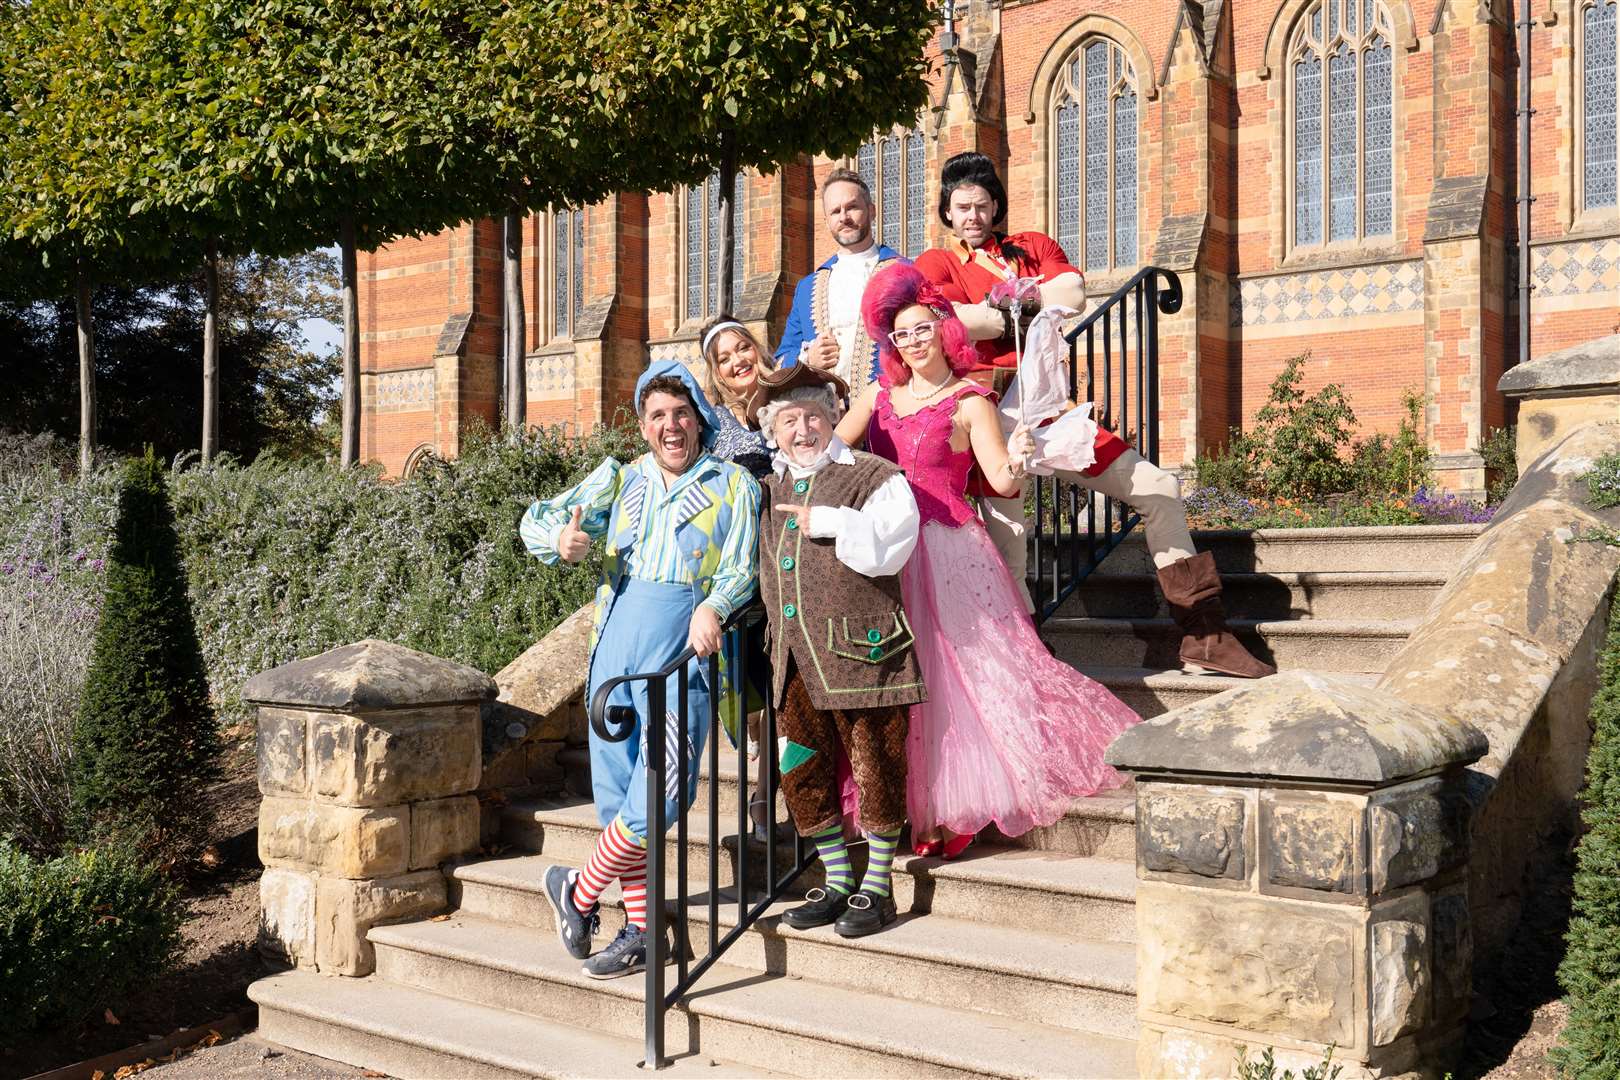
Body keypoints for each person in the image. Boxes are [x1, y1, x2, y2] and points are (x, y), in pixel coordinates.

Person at [912, 151, 1273, 679]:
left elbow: (1074, 293)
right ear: (947, 212)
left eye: (982, 205)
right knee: (1011, 544)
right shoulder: (936, 265)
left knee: (1159, 490)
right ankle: (1028, 661)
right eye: (961, 207)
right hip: (990, 418)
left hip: (1049, 408)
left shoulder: (1032, 246)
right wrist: (1029, 303)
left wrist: (1007, 304)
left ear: (996, 207)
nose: (972, 216)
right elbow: (951, 325)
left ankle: (1203, 637)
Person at [836, 263, 1142, 857]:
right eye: (902, 334)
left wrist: (1022, 455)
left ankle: (952, 810)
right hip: (886, 552)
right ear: (890, 343)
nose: (914, 341)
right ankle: (898, 805)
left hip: (949, 547)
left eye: (922, 328)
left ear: (943, 329)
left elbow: (999, 481)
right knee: (900, 680)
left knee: (963, 678)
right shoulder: (877, 397)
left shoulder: (972, 400)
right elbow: (829, 454)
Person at [519, 360, 760, 979]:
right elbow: (539, 520)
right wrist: (561, 543)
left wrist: (715, 604)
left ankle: (577, 887)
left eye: (681, 413)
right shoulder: (618, 480)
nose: (671, 426)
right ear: (643, 425)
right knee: (617, 797)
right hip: (615, 647)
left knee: (665, 789)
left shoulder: (734, 486)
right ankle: (641, 933)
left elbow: (741, 568)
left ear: (699, 418)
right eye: (657, 416)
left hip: (684, 652)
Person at [751, 363, 924, 937]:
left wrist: (827, 520)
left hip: (864, 651)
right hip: (794, 658)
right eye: (788, 421)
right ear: (772, 429)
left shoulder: (874, 476)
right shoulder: (765, 488)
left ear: (832, 420)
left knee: (877, 761)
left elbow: (893, 548)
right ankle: (835, 875)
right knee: (800, 765)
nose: (802, 430)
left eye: (813, 418)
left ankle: (878, 884)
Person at [775, 168, 905, 396]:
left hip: (890, 408)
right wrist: (807, 359)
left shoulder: (904, 272)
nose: (844, 217)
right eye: (835, 211)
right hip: (824, 417)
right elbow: (782, 360)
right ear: (827, 221)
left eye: (852, 207)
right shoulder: (807, 288)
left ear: (871, 210)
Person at [700, 314, 776, 482]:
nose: (738, 360)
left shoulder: (790, 400)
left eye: (743, 348)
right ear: (717, 373)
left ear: (756, 349)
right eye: (724, 359)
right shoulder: (711, 425)